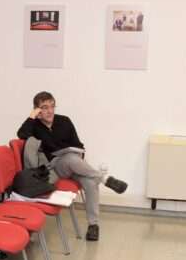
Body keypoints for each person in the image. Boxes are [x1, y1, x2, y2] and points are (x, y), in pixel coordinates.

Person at [17, 92, 128, 241]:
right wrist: (32, 116)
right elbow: (22, 134)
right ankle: (104, 178)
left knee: (90, 181)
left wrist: (78, 155)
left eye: (52, 106)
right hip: (54, 167)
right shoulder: (35, 126)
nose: (50, 111)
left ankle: (93, 225)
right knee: (69, 158)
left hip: (74, 164)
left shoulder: (64, 121)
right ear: (37, 111)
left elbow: (78, 145)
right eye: (44, 107)